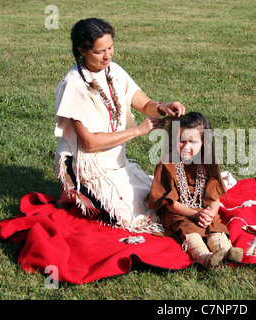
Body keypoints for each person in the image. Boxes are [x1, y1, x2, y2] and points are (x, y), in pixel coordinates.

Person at [54, 18, 185, 232]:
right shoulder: (74, 85)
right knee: (131, 217)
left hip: (116, 161)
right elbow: (88, 143)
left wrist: (163, 107)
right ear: (81, 50)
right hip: (88, 165)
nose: (107, 55)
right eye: (99, 51)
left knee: (158, 198)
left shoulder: (113, 70)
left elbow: (143, 103)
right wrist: (137, 131)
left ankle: (74, 195)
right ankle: (74, 186)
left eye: (110, 47)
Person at [148, 112, 243, 267]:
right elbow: (170, 203)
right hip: (177, 212)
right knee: (188, 228)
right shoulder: (167, 162)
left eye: (193, 142)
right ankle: (204, 257)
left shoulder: (207, 162)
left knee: (214, 226)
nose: (186, 147)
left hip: (202, 209)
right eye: (181, 141)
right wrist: (196, 214)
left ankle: (226, 250)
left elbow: (214, 198)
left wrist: (210, 213)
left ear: (204, 142)